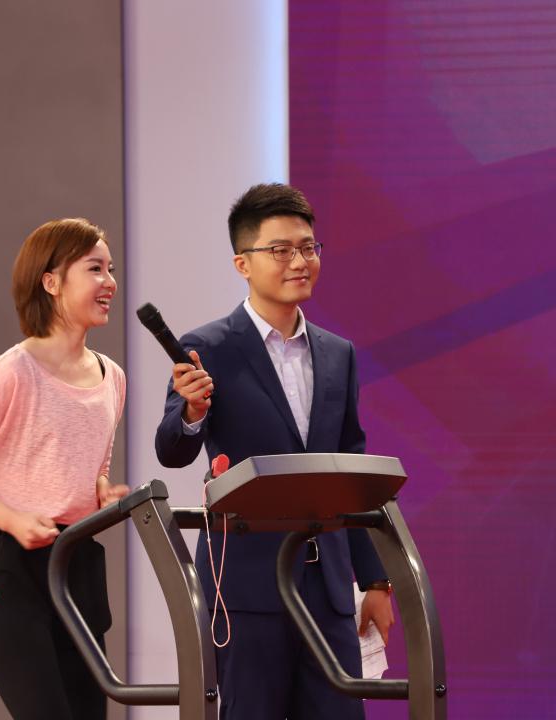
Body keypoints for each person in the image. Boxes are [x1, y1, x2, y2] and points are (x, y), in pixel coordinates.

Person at [154, 183, 395, 719]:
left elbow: (351, 467)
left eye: (308, 248)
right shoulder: (208, 347)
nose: (300, 262)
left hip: (328, 589)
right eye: (281, 250)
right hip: (243, 587)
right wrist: (191, 412)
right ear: (243, 263)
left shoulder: (338, 353)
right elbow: (171, 449)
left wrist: (375, 579)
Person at [0, 217, 128, 720]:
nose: (109, 282)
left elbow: (92, 463)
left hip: (78, 565)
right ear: (51, 282)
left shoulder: (112, 376)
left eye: (111, 269)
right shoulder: (11, 372)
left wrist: (103, 492)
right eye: (95, 269)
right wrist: (13, 520)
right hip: (12, 569)